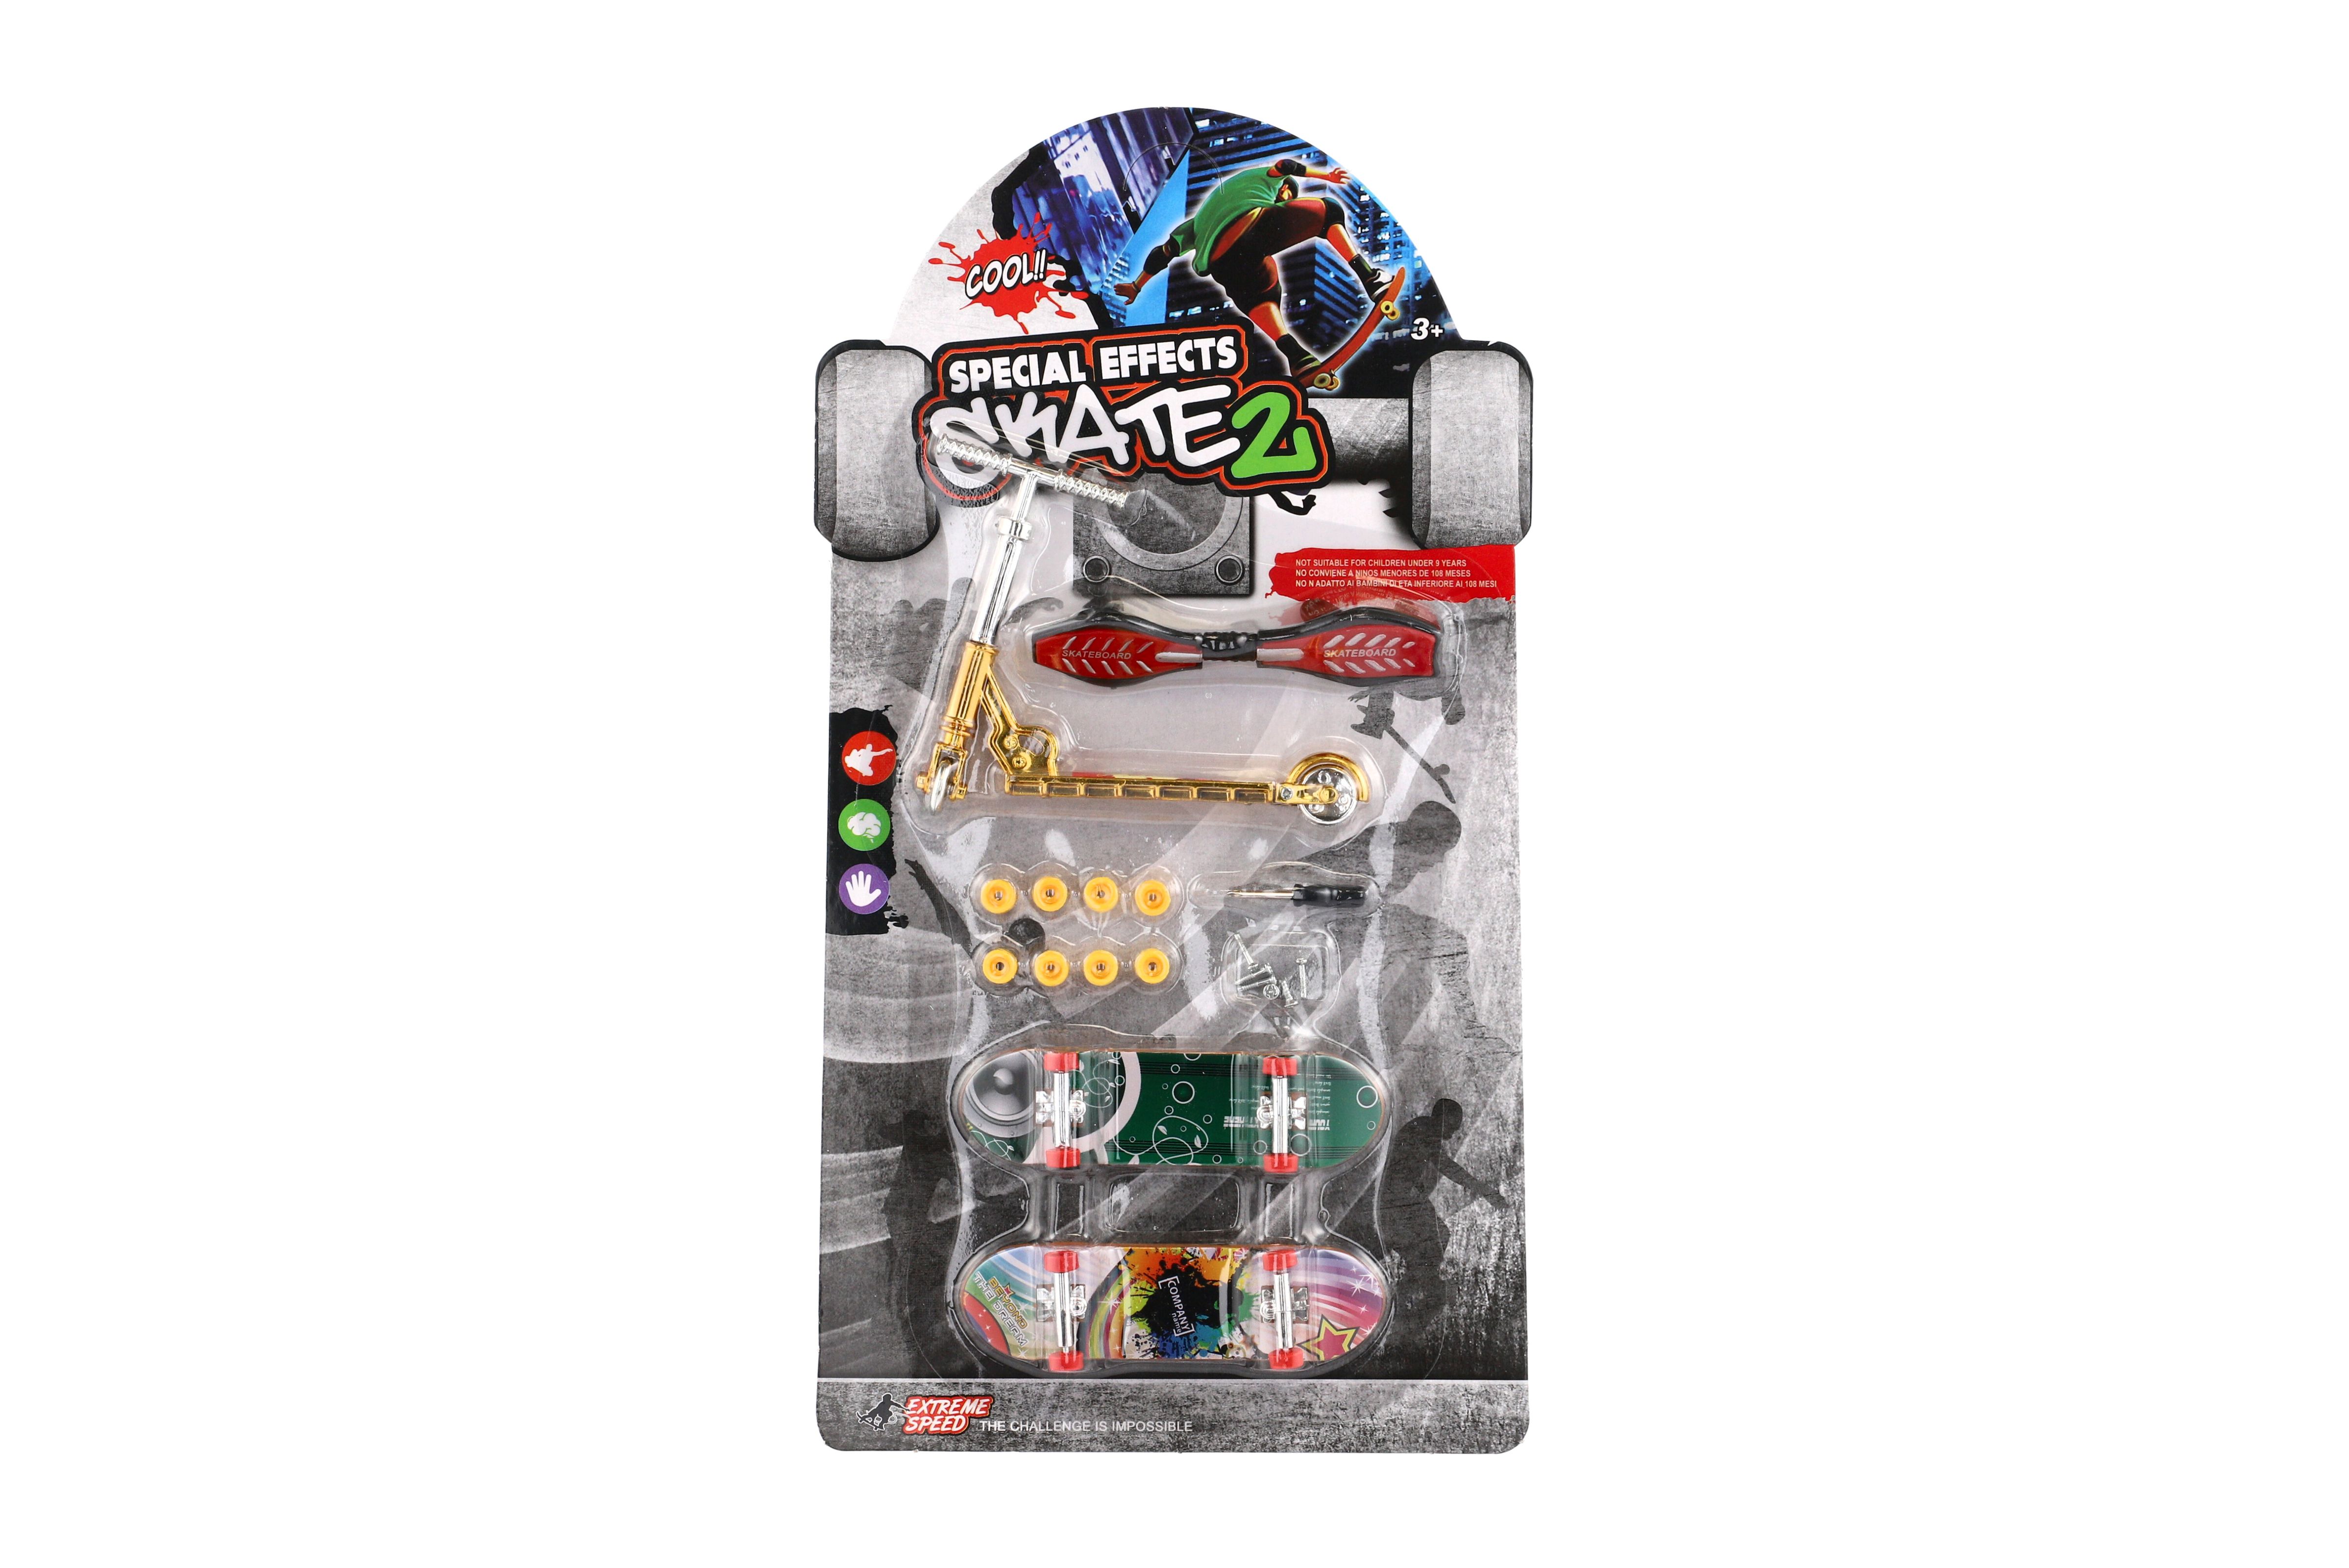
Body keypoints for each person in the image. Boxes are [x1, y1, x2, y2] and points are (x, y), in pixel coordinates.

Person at [1114, 159, 1388, 382]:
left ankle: (1298, 358)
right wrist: (1327, 177)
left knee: (1263, 294)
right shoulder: (1271, 180)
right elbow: (1286, 166)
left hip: (1221, 265)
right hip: (1251, 227)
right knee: (1330, 211)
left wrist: (1137, 286)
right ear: (1285, 188)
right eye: (1288, 197)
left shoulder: (1197, 222)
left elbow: (1164, 252)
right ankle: (1371, 279)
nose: (1284, 202)